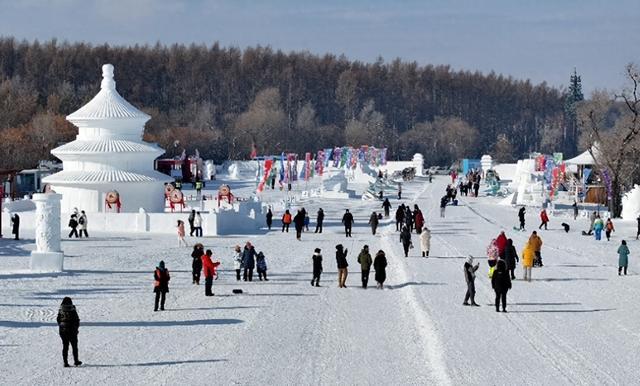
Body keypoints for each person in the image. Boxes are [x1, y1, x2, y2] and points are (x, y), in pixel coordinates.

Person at [56, 297, 82, 367]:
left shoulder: (61, 310)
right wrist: (76, 328)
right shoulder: (73, 309)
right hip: (72, 330)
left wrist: (61, 327)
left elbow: (58, 320)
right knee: (74, 346)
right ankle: (76, 361)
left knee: (65, 346)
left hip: (63, 331)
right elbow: (77, 320)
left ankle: (65, 363)